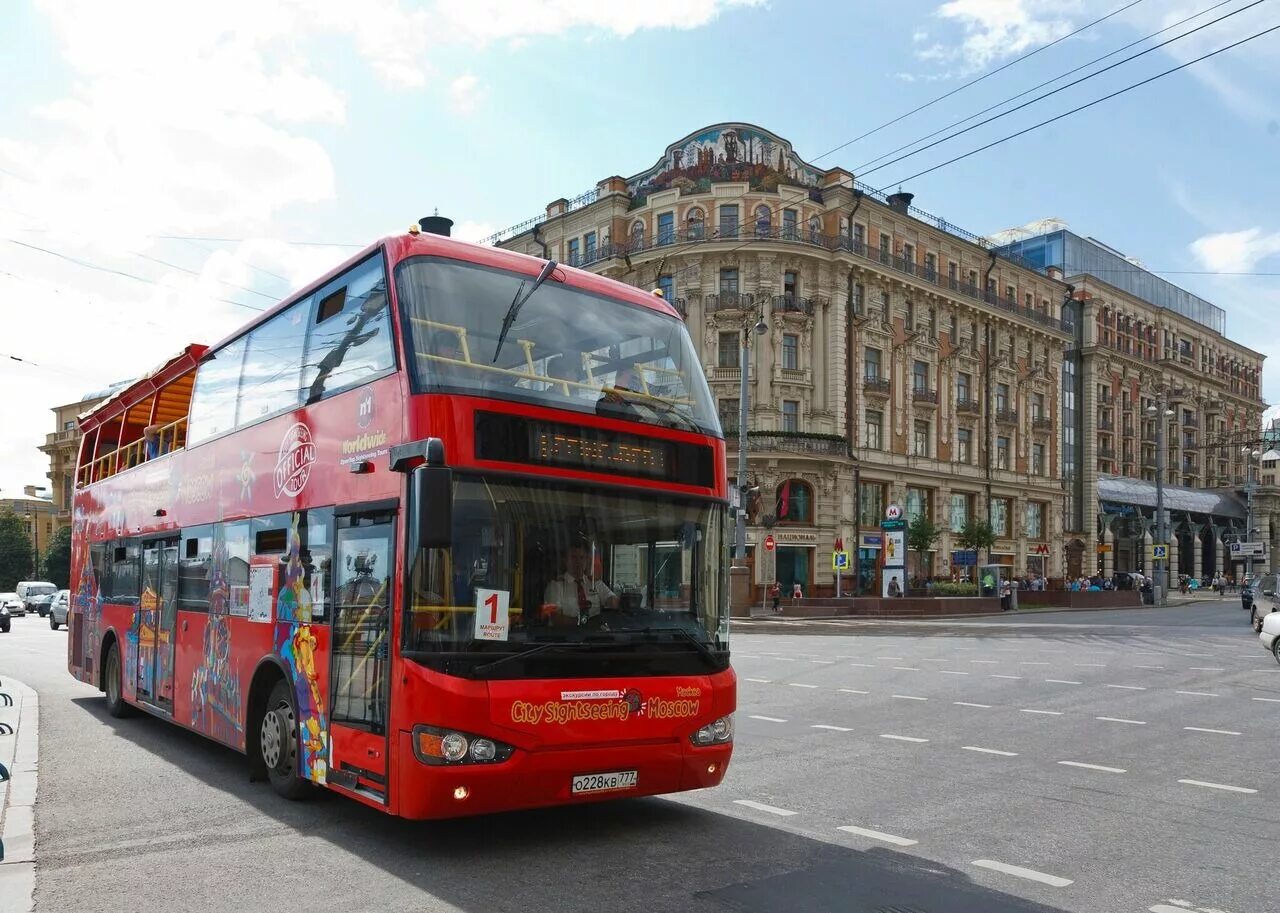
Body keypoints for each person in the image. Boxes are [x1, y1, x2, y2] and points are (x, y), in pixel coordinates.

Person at [542, 542, 618, 623]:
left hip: (595, 633)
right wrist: (582, 623)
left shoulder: (594, 583)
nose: (578, 562)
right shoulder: (555, 586)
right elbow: (555, 618)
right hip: (568, 634)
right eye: (573, 557)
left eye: (582, 557)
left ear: (586, 560)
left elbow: (613, 602)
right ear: (565, 560)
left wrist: (618, 602)